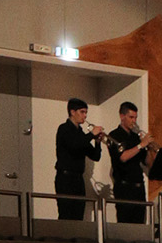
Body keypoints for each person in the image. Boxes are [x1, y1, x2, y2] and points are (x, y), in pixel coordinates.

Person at [48, 96, 99, 223]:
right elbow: (74, 145)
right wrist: (91, 134)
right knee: (66, 214)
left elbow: (95, 156)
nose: (85, 116)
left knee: (78, 215)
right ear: (72, 112)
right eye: (82, 112)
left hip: (78, 180)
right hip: (65, 178)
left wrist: (97, 142)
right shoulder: (64, 129)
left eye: (86, 112)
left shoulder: (81, 133)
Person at [102, 99, 150, 227]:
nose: (134, 121)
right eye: (131, 117)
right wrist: (141, 145)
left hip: (139, 188)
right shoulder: (114, 135)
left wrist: (149, 148)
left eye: (135, 118)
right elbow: (123, 157)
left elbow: (147, 162)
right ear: (122, 116)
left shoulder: (136, 138)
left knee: (140, 225)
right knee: (125, 225)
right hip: (124, 188)